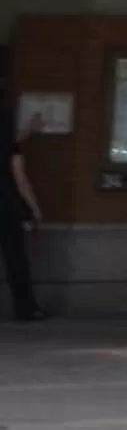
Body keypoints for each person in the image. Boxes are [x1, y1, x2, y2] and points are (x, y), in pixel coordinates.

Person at [3, 129, 45, 321]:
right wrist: (34, 209)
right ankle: (25, 308)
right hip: (6, 208)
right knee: (16, 259)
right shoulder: (11, 147)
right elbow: (21, 182)